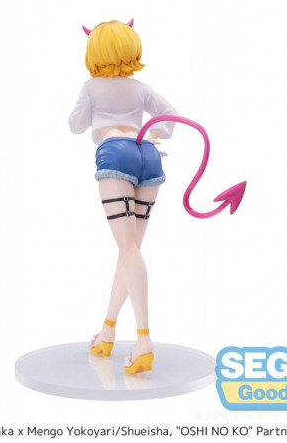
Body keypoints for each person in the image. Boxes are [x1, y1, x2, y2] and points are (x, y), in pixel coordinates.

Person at [69, 19, 177, 374]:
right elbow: (171, 115)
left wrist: (90, 103)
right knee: (130, 250)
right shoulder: (140, 88)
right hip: (147, 152)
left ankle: (144, 340)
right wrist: (155, 135)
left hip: (115, 153)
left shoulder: (91, 86)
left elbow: (76, 125)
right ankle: (108, 331)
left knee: (128, 248)